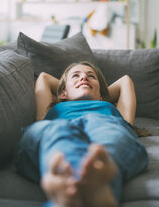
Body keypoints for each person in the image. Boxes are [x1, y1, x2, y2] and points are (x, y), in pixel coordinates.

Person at [15, 61, 148, 207]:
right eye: (76, 76)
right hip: (58, 125)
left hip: (105, 122)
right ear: (63, 93)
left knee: (110, 143)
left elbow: (125, 81)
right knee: (58, 135)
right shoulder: (53, 109)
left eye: (91, 76)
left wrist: (89, 88)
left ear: (102, 96)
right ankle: (85, 192)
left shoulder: (107, 106)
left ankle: (83, 192)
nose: (84, 77)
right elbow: (44, 78)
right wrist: (79, 86)